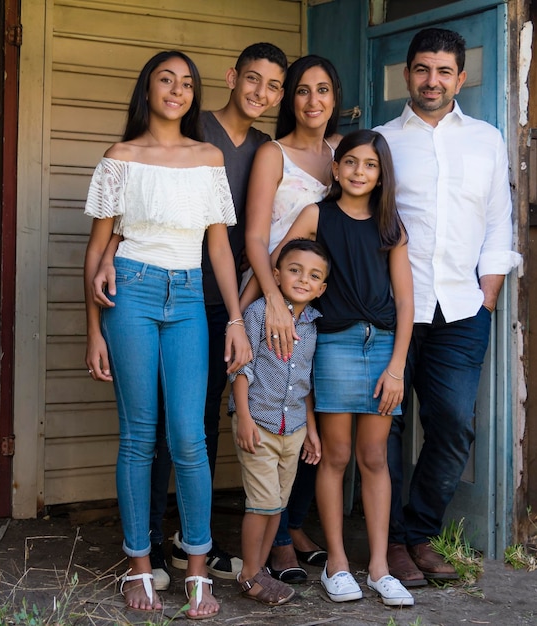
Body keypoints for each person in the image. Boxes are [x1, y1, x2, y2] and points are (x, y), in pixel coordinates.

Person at [92, 43, 288, 588]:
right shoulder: (131, 151)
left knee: (189, 435)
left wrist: (233, 317)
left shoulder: (218, 155)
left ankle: (194, 564)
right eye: (165, 81)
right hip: (133, 289)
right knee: (141, 434)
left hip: (192, 300)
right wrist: (94, 325)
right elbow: (104, 240)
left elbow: (223, 245)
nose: (176, 91)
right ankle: (142, 562)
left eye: (185, 83)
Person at [375, 27, 522, 587]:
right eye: (421, 69)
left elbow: (497, 220)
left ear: (460, 78)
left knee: (455, 425)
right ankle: (389, 544)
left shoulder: (485, 138)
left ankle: (420, 533)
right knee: (384, 425)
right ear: (407, 73)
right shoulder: (382, 141)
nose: (431, 81)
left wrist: (486, 295)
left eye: (443, 71)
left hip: (462, 309)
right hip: (393, 311)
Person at [271, 129, 414, 606]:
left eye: (369, 165)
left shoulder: (391, 224)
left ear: (380, 175)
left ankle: (377, 568)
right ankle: (337, 562)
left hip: (383, 349)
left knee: (374, 457)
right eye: (350, 162)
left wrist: (397, 367)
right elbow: (280, 262)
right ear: (336, 169)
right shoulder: (317, 214)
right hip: (333, 343)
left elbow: (406, 302)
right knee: (334, 456)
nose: (358, 172)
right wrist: (262, 310)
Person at [241, 54, 342, 582]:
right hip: (273, 294)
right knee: (270, 404)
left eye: (322, 90)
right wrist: (274, 303)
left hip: (323, 301)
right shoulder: (272, 154)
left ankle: (294, 524)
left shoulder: (347, 153)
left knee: (311, 414)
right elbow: (256, 237)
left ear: (335, 97)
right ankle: (277, 541)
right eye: (302, 90)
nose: (312, 100)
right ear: (289, 99)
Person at [231, 239, 327, 605]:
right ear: (275, 275)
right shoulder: (257, 313)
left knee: (277, 503)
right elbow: (242, 367)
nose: (303, 279)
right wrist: (242, 417)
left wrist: (312, 431)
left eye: (314, 276)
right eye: (294, 270)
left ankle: (259, 568)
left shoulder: (314, 327)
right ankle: (249, 574)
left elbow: (305, 384)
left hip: (295, 429)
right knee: (262, 503)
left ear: (322, 288)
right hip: (259, 424)